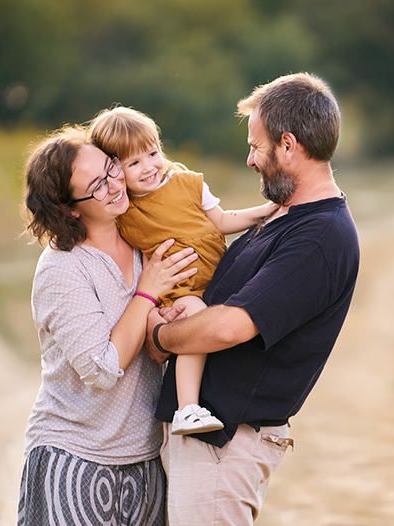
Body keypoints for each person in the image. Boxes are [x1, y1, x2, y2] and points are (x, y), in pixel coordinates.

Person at [145, 72, 360, 526]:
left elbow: (231, 326)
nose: (249, 160)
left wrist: (160, 337)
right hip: (204, 438)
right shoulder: (281, 216)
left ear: (287, 145)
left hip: (226, 443)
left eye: (255, 146)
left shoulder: (320, 235)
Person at [16, 125, 198, 526]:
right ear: (69, 209)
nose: (115, 184)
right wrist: (147, 295)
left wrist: (166, 328)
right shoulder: (62, 268)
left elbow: (155, 343)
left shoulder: (144, 245)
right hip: (74, 458)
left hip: (148, 460)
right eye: (96, 185)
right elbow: (101, 368)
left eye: (111, 168)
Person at [89, 106, 276, 436]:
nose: (148, 167)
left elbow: (223, 220)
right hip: (180, 293)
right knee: (196, 322)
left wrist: (267, 211)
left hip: (218, 276)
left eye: (152, 153)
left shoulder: (188, 183)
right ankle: (187, 408)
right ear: (115, 171)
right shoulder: (124, 211)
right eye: (134, 163)